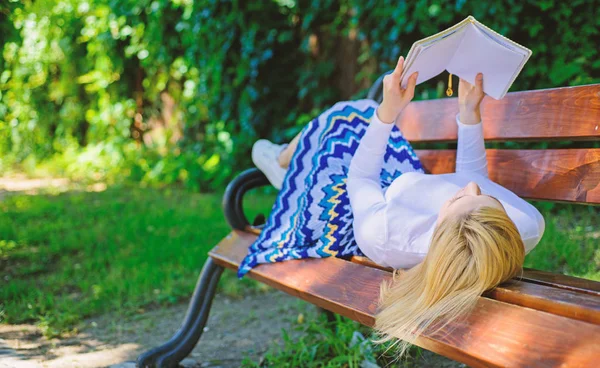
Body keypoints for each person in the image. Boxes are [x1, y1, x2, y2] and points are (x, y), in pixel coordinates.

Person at [246, 56, 545, 356]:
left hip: (346, 203)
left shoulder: (386, 235)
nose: (468, 186)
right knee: (360, 115)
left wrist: (388, 111)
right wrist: (469, 112)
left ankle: (282, 164)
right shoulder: (521, 226)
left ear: (439, 228)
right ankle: (290, 162)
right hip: (402, 185)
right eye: (485, 197)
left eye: (456, 198)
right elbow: (470, 183)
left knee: (346, 118)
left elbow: (361, 178)